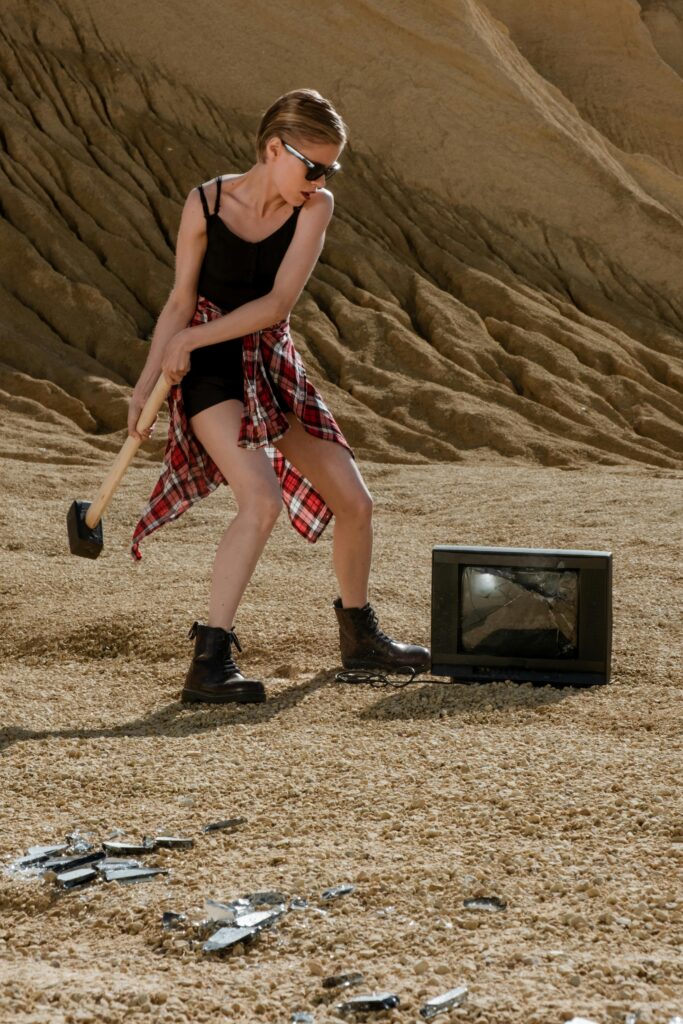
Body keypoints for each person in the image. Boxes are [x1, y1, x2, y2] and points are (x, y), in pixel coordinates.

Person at [127, 88, 429, 704]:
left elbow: (277, 305)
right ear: (273, 149)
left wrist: (193, 334)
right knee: (260, 500)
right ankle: (208, 661)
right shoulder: (205, 202)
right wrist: (147, 380)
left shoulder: (314, 210)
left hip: (267, 361)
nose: (320, 181)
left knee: (355, 500)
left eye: (331, 170)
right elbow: (180, 301)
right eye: (312, 166)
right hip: (208, 373)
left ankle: (359, 638)